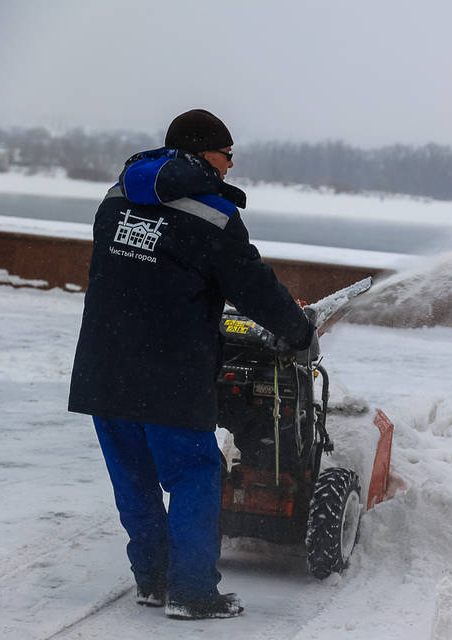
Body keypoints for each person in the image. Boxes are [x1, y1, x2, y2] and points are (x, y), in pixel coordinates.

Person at [68, 109, 315, 620]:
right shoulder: (213, 215)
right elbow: (254, 289)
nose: (230, 167)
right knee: (195, 477)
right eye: (227, 155)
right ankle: (193, 592)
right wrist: (300, 332)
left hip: (104, 368)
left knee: (133, 481)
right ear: (204, 151)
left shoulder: (114, 199)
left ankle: (154, 583)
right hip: (170, 375)